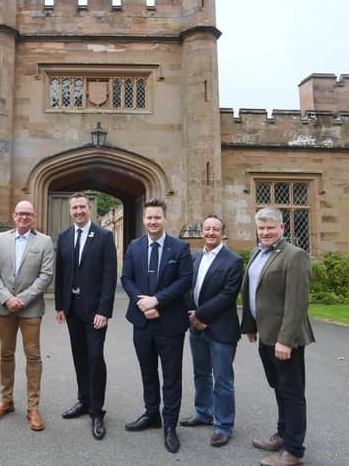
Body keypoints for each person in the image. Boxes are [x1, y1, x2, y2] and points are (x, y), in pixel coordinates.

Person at [241, 207, 315, 466]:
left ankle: (294, 451)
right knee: (279, 388)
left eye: (270, 228)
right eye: (261, 228)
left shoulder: (295, 256)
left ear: (282, 228)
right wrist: (250, 326)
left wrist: (286, 340)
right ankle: (283, 434)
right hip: (266, 335)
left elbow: (297, 303)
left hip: (286, 339)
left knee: (292, 392)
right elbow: (252, 290)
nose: (265, 232)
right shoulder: (257, 251)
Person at [121, 198, 192, 453]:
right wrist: (142, 303)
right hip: (141, 322)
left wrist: (157, 301)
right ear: (144, 219)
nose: (152, 222)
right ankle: (152, 414)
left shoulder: (180, 248)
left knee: (171, 377)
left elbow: (185, 281)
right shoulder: (134, 246)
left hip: (170, 323)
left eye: (157, 217)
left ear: (165, 219)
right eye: (149, 218)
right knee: (148, 371)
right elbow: (126, 278)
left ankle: (170, 425)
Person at [0, 200, 54, 431]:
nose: (24, 217)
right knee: (6, 354)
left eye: (28, 214)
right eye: (20, 214)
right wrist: (7, 297)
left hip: (30, 309)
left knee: (33, 355)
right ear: (14, 216)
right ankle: (6, 401)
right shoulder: (0, 239)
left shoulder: (44, 241)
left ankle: (33, 407)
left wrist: (22, 299)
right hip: (5, 307)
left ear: (33, 217)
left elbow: (46, 275)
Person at [55, 192, 117, 440]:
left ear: (89, 208)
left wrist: (104, 310)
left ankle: (96, 410)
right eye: (75, 208)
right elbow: (60, 274)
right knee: (79, 356)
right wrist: (60, 305)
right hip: (72, 309)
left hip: (95, 312)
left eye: (82, 207)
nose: (79, 211)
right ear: (70, 211)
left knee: (95, 357)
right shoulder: (65, 236)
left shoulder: (104, 236)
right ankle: (83, 400)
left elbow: (109, 276)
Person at [179, 215, 243, 448]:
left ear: (223, 233)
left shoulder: (233, 261)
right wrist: (191, 315)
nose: (211, 232)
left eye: (216, 229)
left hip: (220, 329)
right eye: (207, 229)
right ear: (202, 232)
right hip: (196, 328)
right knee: (201, 373)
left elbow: (227, 296)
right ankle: (204, 412)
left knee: (223, 380)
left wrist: (200, 316)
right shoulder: (194, 257)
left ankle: (224, 425)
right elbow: (187, 287)